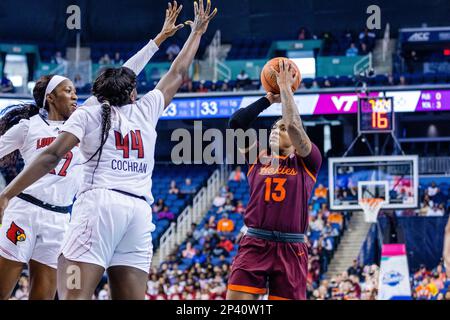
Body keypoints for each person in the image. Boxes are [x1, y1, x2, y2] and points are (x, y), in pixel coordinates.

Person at [0, 0, 216, 300]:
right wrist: (197, 34)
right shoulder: (146, 109)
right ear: (131, 93)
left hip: (97, 208)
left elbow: (50, 156)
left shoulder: (90, 113)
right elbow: (178, 73)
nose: (75, 95)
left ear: (100, 94)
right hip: (139, 212)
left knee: (72, 293)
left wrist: (7, 192)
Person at [226, 59, 322, 300]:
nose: (274, 130)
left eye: (280, 129)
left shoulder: (308, 161)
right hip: (255, 242)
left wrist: (286, 88)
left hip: (291, 248)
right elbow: (236, 123)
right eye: (272, 129)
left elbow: (292, 124)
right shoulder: (256, 159)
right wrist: (269, 98)